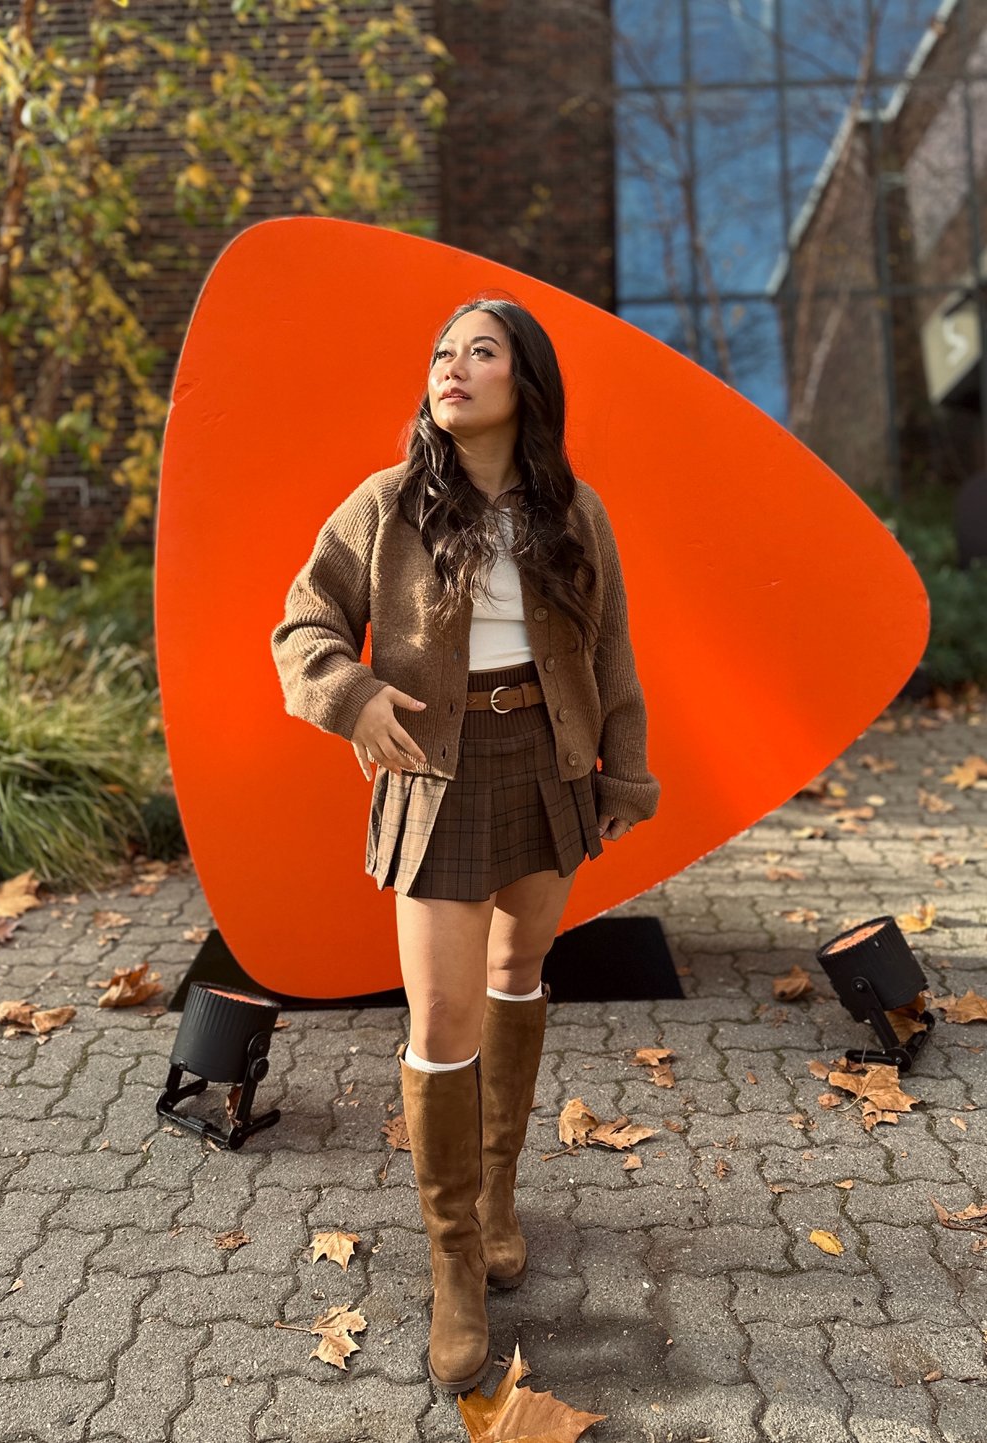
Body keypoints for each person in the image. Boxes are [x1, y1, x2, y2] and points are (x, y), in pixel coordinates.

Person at [271, 297, 659, 1395]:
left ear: (523, 384)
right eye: (440, 353)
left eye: (478, 353)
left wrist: (622, 771)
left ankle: (496, 1194)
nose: (451, 368)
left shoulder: (573, 513)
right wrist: (349, 697)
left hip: (546, 761)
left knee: (519, 973)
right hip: (434, 775)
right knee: (440, 1018)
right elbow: (301, 622)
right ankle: (453, 1258)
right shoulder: (386, 505)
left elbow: (612, 651)